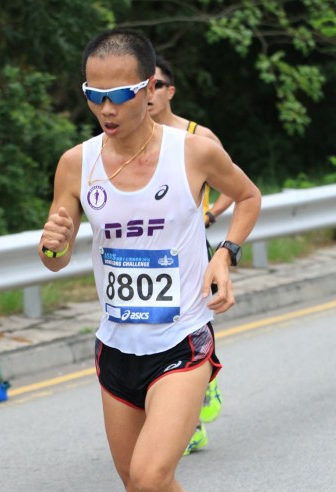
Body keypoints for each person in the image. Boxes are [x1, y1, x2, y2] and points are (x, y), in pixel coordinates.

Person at [38, 28, 261, 492]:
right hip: (116, 346)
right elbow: (55, 256)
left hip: (180, 339)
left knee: (152, 476)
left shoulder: (193, 151)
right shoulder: (76, 164)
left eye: (120, 95)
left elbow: (248, 196)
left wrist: (224, 254)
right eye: (93, 95)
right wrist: (53, 244)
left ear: (149, 88)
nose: (106, 109)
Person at [148, 56, 234, 455]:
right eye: (144, 85)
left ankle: (199, 398)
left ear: (170, 91)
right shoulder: (130, 138)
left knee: (192, 325)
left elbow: (235, 186)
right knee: (158, 330)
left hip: (193, 251)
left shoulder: (199, 137)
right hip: (150, 256)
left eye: (157, 85)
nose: (149, 93)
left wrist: (209, 216)